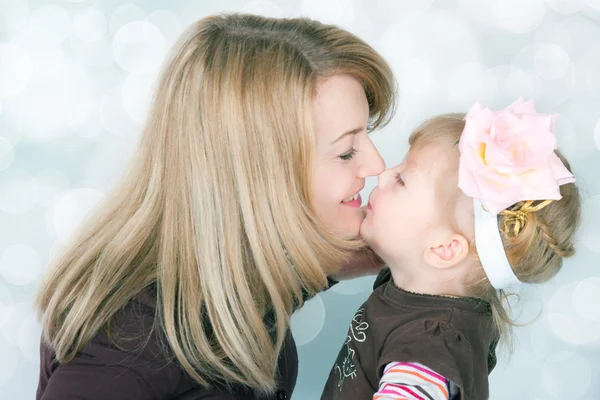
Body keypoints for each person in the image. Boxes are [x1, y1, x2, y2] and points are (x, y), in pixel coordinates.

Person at [35, 13, 396, 400]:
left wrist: (388, 245)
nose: (376, 165)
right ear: (258, 175)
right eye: (345, 152)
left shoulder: (224, 271)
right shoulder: (128, 338)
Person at [320, 98, 581, 400]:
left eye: (402, 179)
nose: (384, 173)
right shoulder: (427, 296)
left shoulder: (428, 344)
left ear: (443, 249)